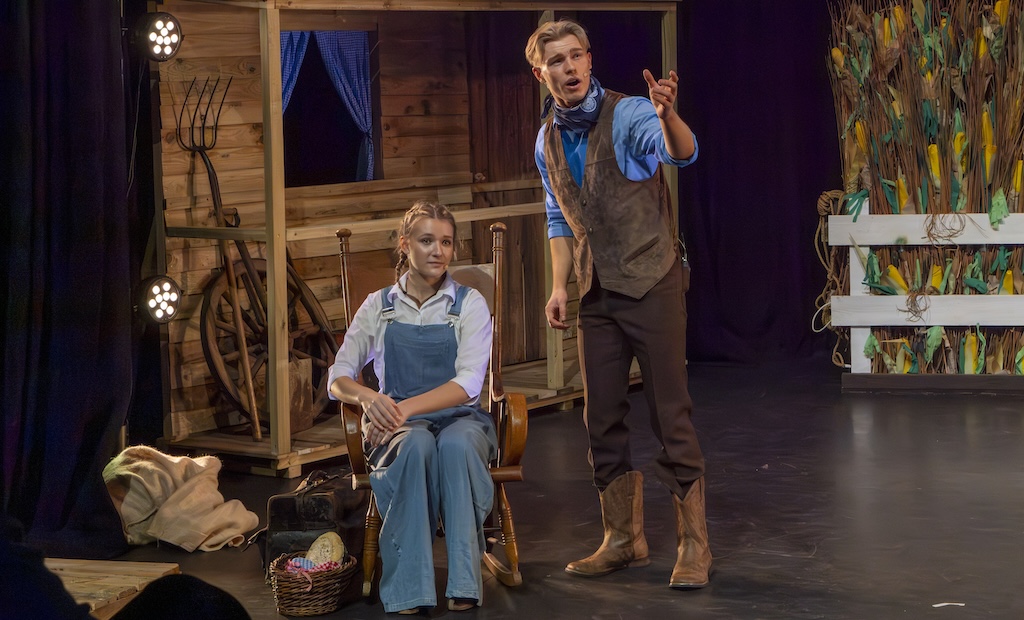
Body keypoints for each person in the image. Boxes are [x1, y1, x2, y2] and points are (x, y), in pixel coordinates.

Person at [525, 19, 711, 589]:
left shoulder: (629, 114)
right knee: (600, 418)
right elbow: (561, 217)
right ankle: (623, 540)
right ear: (542, 73)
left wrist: (667, 115)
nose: (570, 68)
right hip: (597, 292)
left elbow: (683, 154)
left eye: (576, 56)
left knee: (669, 415)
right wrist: (560, 286)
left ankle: (694, 546)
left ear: (588, 59)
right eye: (556, 61)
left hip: (651, 282)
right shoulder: (546, 139)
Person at [327, 200, 497, 614]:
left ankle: (464, 581)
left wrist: (401, 411)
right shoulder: (379, 305)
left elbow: (469, 385)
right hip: (401, 428)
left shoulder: (469, 303)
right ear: (405, 245)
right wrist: (370, 398)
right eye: (426, 241)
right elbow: (338, 376)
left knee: (456, 447)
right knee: (415, 446)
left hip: (459, 420)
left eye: (446, 242)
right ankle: (409, 588)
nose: (438, 251)